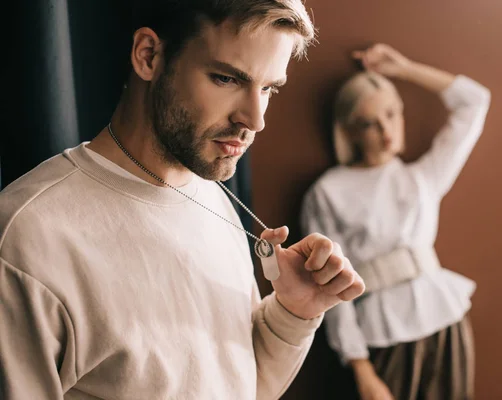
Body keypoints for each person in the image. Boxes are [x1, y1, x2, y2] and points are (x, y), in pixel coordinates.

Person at [0, 1, 366, 399]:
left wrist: (295, 312)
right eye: (226, 79)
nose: (255, 119)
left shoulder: (213, 197)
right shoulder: (26, 240)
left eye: (268, 88)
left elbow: (245, 388)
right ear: (149, 56)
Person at [301, 44, 491, 400]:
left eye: (391, 114)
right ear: (351, 131)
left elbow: (475, 102)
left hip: (445, 326)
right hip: (382, 338)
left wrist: (404, 69)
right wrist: (361, 368)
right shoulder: (328, 192)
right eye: (369, 123)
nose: (386, 131)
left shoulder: (423, 178)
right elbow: (329, 288)